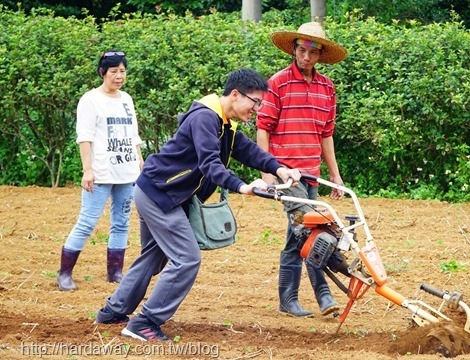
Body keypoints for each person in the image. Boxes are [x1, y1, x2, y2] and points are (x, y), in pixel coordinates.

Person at [94, 68, 302, 342]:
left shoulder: (225, 123)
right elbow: (210, 164)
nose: (258, 109)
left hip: (161, 193)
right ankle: (145, 322)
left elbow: (248, 150)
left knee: (154, 257)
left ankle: (113, 311)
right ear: (236, 94)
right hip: (160, 195)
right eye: (256, 102)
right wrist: (242, 186)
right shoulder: (205, 118)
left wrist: (279, 169)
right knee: (186, 259)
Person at [256, 22, 347, 317]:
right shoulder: (278, 83)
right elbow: (263, 127)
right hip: (285, 173)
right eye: (301, 50)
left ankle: (288, 299)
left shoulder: (326, 88)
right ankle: (323, 296)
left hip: (311, 174)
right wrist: (267, 173)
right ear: (294, 49)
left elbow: (326, 135)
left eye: (312, 51)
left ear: (320, 55)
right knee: (309, 231)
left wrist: (334, 175)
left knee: (298, 235)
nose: (306, 56)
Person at [57, 49, 143, 291]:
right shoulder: (90, 100)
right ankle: (64, 273)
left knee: (122, 223)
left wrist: (139, 159)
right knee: (87, 222)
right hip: (101, 172)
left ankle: (115, 272)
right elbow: (84, 137)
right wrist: (88, 170)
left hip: (126, 172)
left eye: (122, 71)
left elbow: (133, 133)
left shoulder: (126, 99)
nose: (119, 76)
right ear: (102, 73)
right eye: (114, 71)